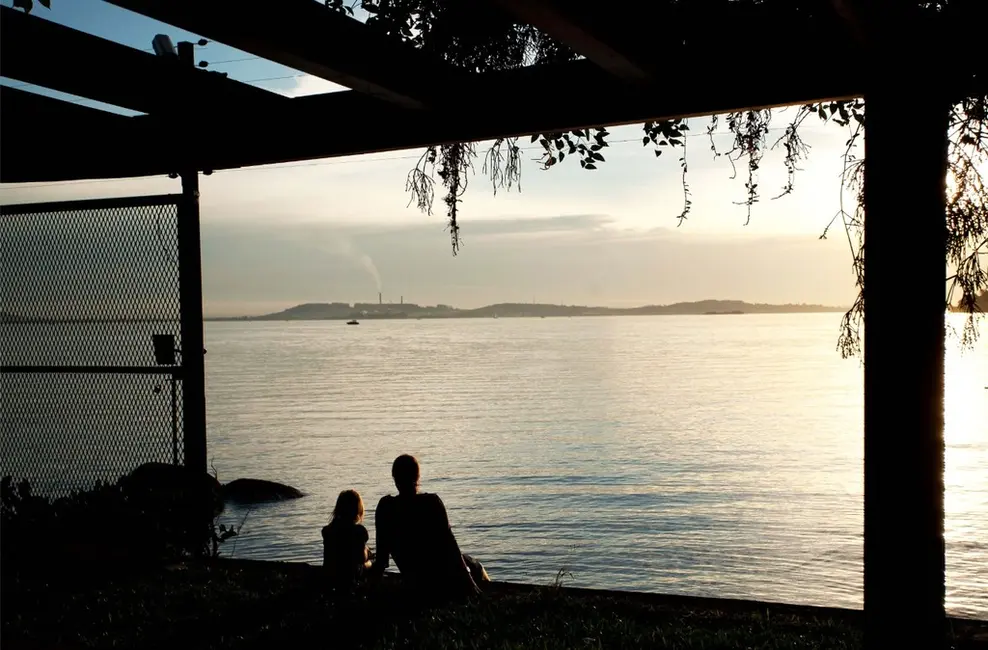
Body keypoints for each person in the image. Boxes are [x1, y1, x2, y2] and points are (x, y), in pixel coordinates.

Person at [369, 455, 489, 601]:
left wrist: (370, 588)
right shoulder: (431, 503)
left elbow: (381, 560)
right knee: (476, 566)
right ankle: (482, 595)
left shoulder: (385, 508)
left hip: (413, 581)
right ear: (418, 477)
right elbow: (452, 549)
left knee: (468, 561)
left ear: (394, 478)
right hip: (441, 579)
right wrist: (470, 584)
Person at [322, 489, 373, 589]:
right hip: (350, 575)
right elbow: (361, 558)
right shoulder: (359, 531)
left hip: (330, 574)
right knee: (371, 563)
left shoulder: (327, 531)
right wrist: (368, 554)